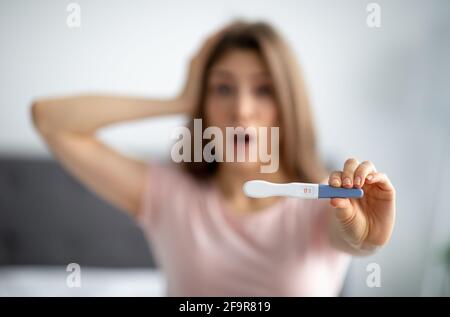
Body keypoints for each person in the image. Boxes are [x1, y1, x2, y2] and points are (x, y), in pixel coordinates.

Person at [31, 21, 396, 296]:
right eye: (222, 88)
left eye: (264, 89)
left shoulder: (326, 203)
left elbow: (355, 239)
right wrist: (178, 101)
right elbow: (49, 121)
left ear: (288, 105)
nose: (241, 108)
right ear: (204, 104)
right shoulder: (167, 194)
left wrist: (367, 238)